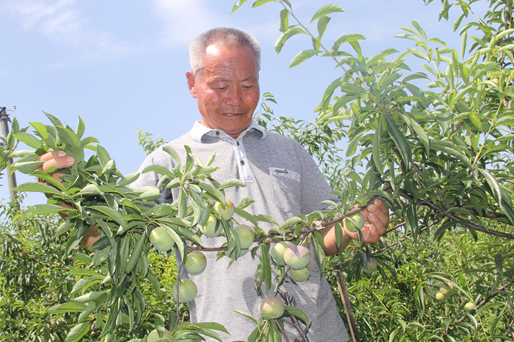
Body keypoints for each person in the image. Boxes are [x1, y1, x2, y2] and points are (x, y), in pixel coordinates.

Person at [39, 27, 389, 342]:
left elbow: (324, 237)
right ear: (192, 83)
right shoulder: (168, 161)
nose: (235, 98)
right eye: (220, 86)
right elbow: (100, 238)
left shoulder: (289, 151)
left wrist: (359, 227)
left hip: (319, 331)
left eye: (248, 85)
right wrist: (66, 195)